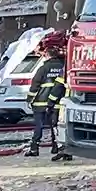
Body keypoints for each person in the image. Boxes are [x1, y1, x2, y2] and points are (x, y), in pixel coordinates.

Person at [25, 31, 71, 160]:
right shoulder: (63, 67)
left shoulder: (43, 69)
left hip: (40, 103)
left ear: (48, 54)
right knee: (55, 125)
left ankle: (34, 148)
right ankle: (56, 147)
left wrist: (29, 99)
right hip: (57, 102)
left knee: (39, 126)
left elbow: (35, 85)